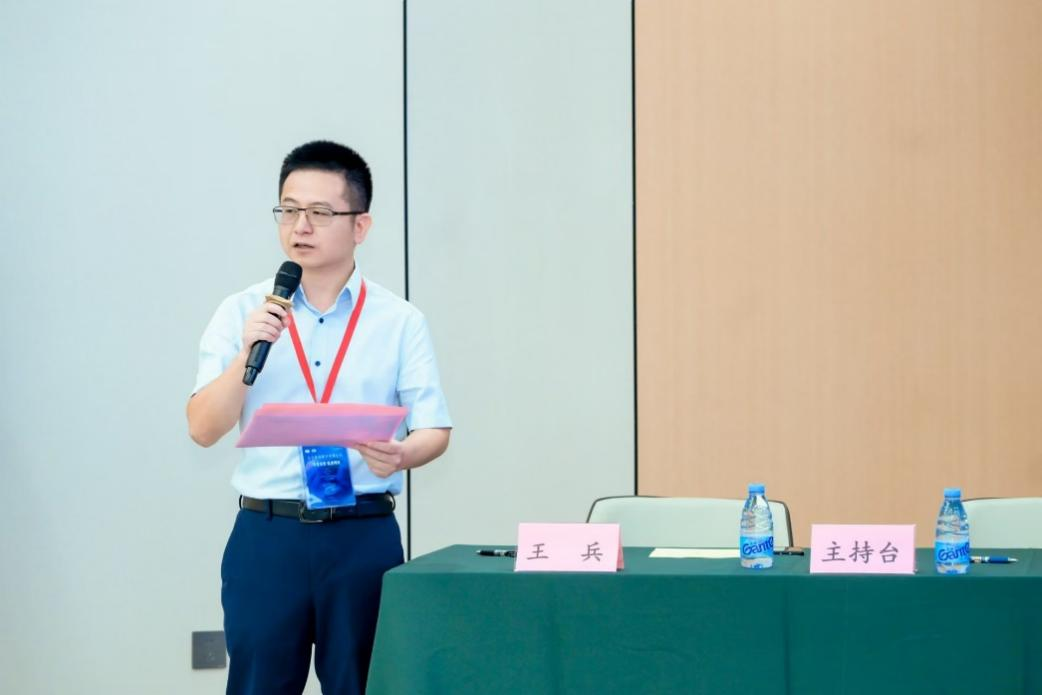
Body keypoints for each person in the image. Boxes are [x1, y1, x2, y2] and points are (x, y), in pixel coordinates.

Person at [187, 140, 452, 695]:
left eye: (320, 212)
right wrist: (246, 354)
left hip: (362, 535)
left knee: (364, 683)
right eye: (288, 210)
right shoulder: (242, 311)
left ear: (361, 225)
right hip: (268, 536)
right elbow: (203, 428)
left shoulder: (399, 320)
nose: (299, 226)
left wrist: (402, 454)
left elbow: (434, 428)